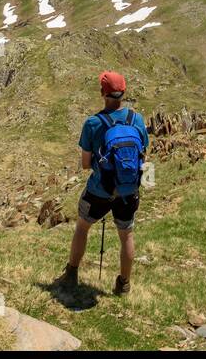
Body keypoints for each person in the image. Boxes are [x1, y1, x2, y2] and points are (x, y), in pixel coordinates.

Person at [54, 70, 148, 295]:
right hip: (128, 189)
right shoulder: (137, 119)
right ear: (123, 92)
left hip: (100, 189)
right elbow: (144, 154)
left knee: (82, 227)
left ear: (102, 93)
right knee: (127, 234)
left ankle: (71, 274)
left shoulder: (93, 123)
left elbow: (86, 164)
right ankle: (123, 285)